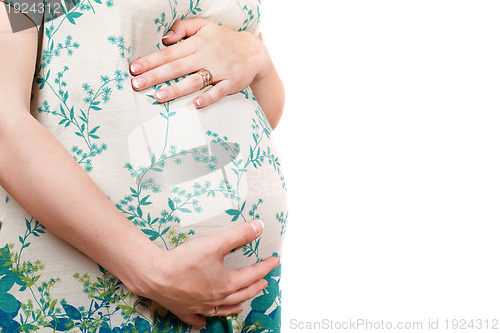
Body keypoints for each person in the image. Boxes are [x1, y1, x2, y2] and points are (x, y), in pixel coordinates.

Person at [0, 0, 287, 331]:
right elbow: (6, 124)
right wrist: (153, 272)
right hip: (93, 291)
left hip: (239, 303)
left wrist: (257, 60)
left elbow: (261, 115)